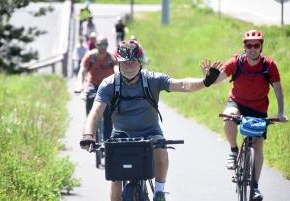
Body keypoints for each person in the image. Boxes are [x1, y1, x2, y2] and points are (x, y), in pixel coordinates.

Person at [79, 40, 222, 201]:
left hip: (150, 131)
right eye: (124, 63)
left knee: (161, 149)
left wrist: (205, 82)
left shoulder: (152, 79)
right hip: (120, 134)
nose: (129, 67)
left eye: (133, 62)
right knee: (116, 182)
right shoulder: (109, 84)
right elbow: (96, 111)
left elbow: (181, 84)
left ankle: (159, 193)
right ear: (118, 64)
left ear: (140, 63)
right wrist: (89, 135)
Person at [199, 30, 288, 200]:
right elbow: (216, 80)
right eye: (249, 45)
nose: (252, 48)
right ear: (244, 47)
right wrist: (208, 77)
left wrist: (281, 113)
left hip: (259, 107)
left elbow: (278, 90)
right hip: (237, 102)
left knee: (258, 145)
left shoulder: (269, 65)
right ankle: (233, 151)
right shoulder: (236, 62)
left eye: (256, 45)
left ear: (261, 47)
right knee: (229, 116)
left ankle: (254, 188)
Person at [75, 35, 119, 141]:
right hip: (93, 85)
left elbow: (117, 70)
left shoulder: (111, 57)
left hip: (107, 87)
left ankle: (108, 144)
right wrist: (80, 86)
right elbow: (82, 72)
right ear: (96, 45)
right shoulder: (90, 56)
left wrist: (120, 83)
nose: (102, 47)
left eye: (105, 44)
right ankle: (89, 128)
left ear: (107, 45)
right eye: (100, 44)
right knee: (90, 98)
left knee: (109, 116)